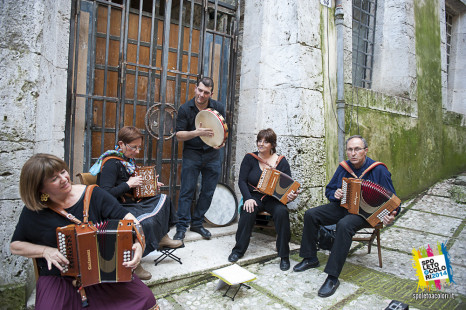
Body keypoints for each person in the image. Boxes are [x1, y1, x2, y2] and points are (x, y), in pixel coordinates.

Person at [10, 154, 158, 310]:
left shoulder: (93, 194)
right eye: (54, 179)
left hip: (103, 273)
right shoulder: (35, 210)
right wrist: (45, 251)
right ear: (40, 188)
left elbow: (132, 221)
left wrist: (139, 244)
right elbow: (16, 246)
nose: (64, 178)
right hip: (59, 277)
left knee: (145, 299)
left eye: (62, 171)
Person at [293, 135, 399, 297]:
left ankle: (332, 277)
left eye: (357, 149)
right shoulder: (344, 167)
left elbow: (394, 201)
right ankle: (310, 258)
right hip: (343, 207)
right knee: (311, 214)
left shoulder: (379, 170)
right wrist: (334, 193)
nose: (353, 153)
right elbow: (329, 190)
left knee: (344, 225)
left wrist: (391, 215)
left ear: (365, 151)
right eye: (350, 149)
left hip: (365, 214)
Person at [92, 126, 182, 280]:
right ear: (121, 144)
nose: (137, 151)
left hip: (131, 202)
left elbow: (134, 186)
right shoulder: (111, 163)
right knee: (143, 222)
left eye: (139, 147)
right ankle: (135, 260)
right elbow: (104, 194)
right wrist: (128, 184)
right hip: (117, 208)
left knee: (164, 200)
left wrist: (151, 184)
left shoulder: (128, 161)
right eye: (134, 147)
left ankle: (161, 237)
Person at [228, 128, 298, 271]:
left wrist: (291, 196)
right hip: (254, 196)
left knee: (282, 213)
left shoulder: (281, 162)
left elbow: (289, 187)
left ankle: (284, 255)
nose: (261, 144)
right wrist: (247, 198)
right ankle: (238, 251)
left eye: (265, 142)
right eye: (259, 141)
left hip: (273, 199)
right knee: (248, 210)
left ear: (272, 145)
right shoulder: (250, 158)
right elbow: (242, 181)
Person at [173, 77, 225, 240]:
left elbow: (223, 130)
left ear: (211, 93)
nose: (202, 95)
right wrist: (197, 132)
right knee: (187, 190)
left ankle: (197, 223)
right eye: (200, 90)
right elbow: (178, 135)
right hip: (192, 154)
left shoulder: (218, 107)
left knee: (208, 191)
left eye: (206, 92)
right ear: (195, 89)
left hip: (212, 155)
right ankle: (181, 227)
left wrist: (220, 143)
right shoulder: (185, 109)